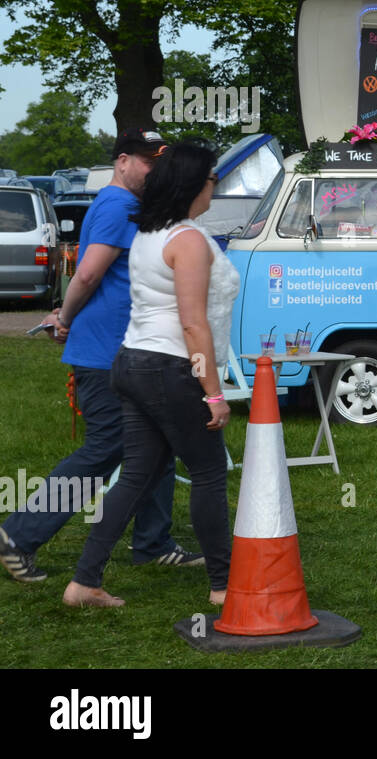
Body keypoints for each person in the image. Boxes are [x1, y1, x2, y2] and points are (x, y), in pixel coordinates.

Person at [0, 128, 201, 585]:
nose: (154, 171)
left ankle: (154, 543)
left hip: (123, 349)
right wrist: (64, 316)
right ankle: (17, 536)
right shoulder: (118, 205)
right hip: (107, 353)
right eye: (148, 162)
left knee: (157, 445)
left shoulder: (117, 205)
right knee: (105, 448)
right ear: (123, 160)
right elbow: (88, 274)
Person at [63, 143, 240, 608]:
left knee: (134, 476)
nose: (215, 189)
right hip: (169, 368)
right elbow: (192, 323)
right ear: (193, 185)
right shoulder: (188, 240)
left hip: (132, 362)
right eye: (212, 180)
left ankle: (85, 582)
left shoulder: (147, 232)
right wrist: (213, 394)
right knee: (207, 472)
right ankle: (224, 587)